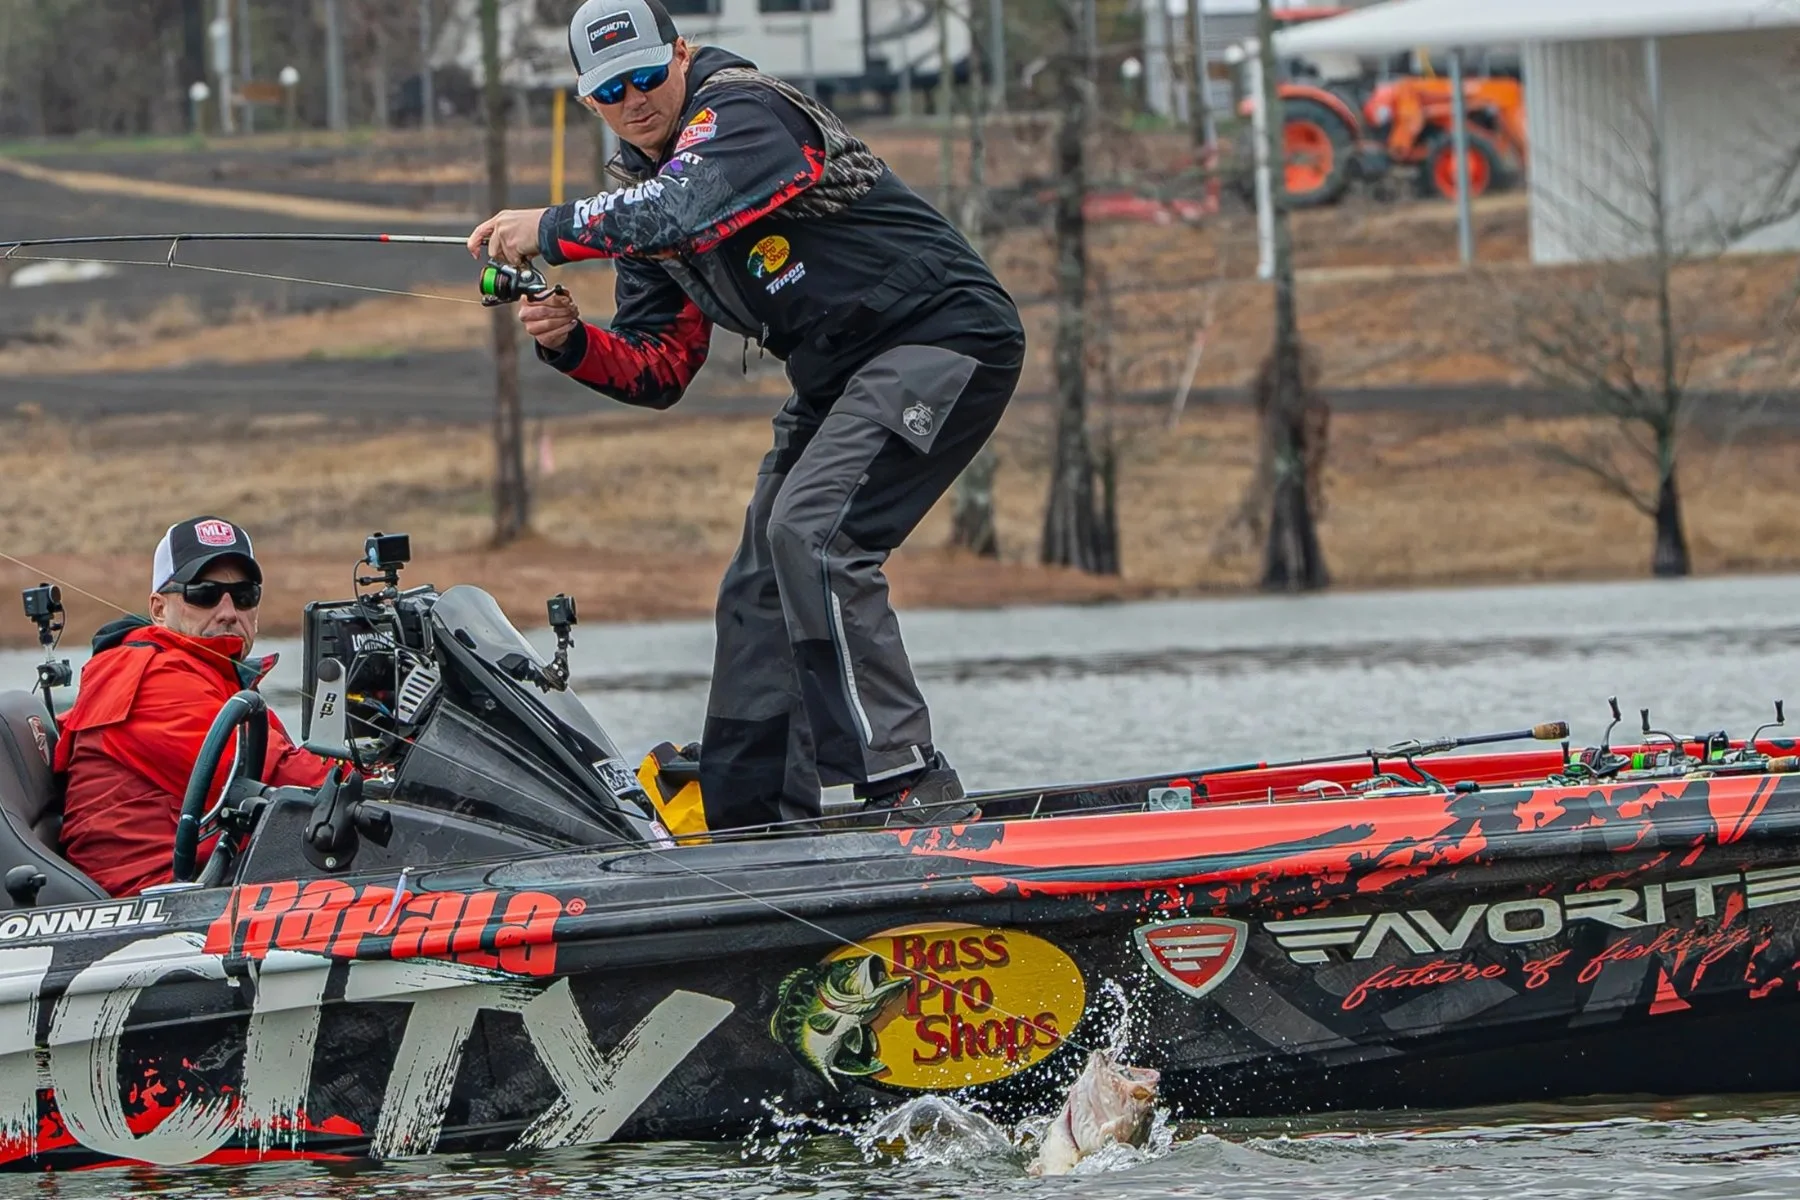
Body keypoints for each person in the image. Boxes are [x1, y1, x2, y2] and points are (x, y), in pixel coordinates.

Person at [469, 0, 1025, 832]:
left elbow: (682, 210)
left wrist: (549, 226)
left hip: (941, 334)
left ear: (682, 54)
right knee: (758, 584)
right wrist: (571, 341)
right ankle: (752, 825)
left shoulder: (745, 111)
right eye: (613, 91)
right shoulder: (635, 196)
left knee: (816, 533)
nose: (637, 101)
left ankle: (908, 782)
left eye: (649, 77)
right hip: (837, 374)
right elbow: (660, 367)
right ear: (590, 102)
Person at [55, 517, 332, 896]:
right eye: (203, 593)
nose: (228, 611)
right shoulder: (149, 676)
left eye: (245, 595)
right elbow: (287, 778)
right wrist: (390, 786)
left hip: (214, 881)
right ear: (158, 608)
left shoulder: (210, 675)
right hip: (156, 905)